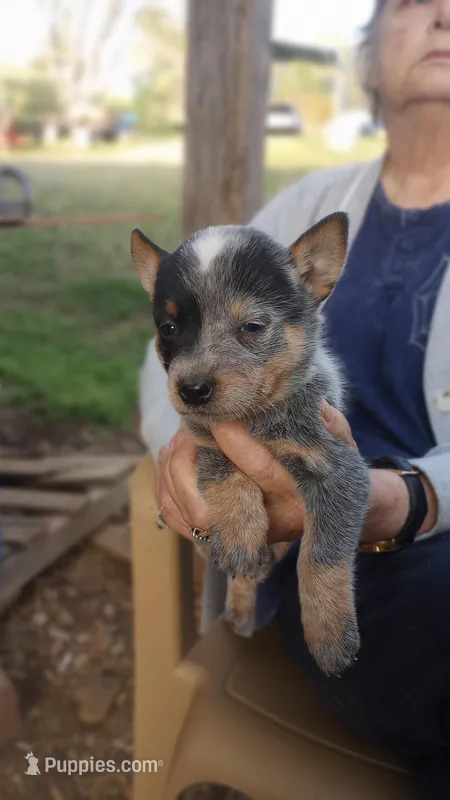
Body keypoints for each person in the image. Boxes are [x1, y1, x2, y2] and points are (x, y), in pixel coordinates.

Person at [140, 0, 450, 794]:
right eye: (412, 0)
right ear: (368, 54)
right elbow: (169, 358)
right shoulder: (308, 206)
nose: (444, 14)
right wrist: (192, 452)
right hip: (334, 584)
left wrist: (409, 498)